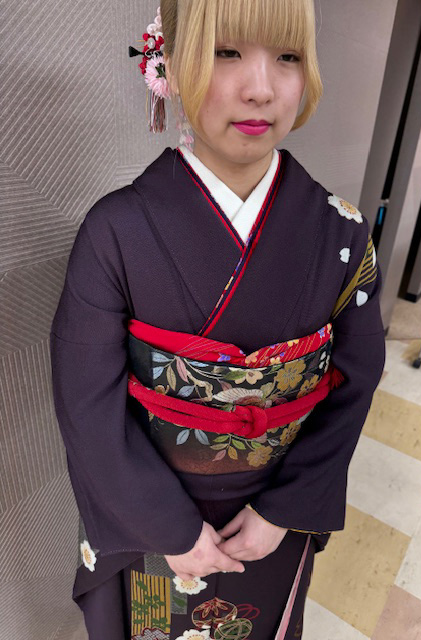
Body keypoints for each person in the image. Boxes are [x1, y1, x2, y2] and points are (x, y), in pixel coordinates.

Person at [49, 0, 386, 638]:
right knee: (153, 625)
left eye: (287, 56)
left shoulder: (342, 234)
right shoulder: (114, 231)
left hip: (274, 519)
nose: (260, 88)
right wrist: (167, 529)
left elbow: (355, 380)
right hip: (151, 524)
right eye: (226, 52)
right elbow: (85, 400)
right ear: (169, 67)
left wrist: (285, 508)